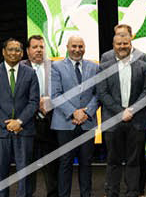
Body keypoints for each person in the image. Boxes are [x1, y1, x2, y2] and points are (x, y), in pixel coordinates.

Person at [98, 27, 146, 197]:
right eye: (119, 43)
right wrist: (121, 112)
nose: (122, 46)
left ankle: (132, 193)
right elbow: (102, 93)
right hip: (113, 121)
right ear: (113, 45)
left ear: (131, 44)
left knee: (134, 161)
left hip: (137, 121)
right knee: (113, 161)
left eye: (125, 43)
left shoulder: (143, 65)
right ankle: (112, 192)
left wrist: (132, 110)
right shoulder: (104, 66)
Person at [50, 36, 100, 197]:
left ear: (84, 48)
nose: (77, 49)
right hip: (65, 124)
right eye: (74, 46)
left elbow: (98, 94)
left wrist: (86, 113)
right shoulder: (56, 67)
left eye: (80, 46)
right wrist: (73, 112)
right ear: (67, 47)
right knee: (65, 163)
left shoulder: (94, 67)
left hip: (87, 122)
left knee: (86, 163)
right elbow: (55, 94)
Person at [0, 37, 39, 197]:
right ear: (3, 52)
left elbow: (33, 101)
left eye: (17, 50)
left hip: (24, 129)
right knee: (0, 175)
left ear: (22, 53)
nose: (14, 53)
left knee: (25, 174)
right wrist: (6, 123)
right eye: (10, 49)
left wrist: (19, 121)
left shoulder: (30, 73)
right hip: (1, 131)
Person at [22, 35, 58, 197]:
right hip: (27, 124)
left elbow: (63, 91)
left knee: (52, 166)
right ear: (28, 51)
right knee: (27, 165)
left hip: (51, 123)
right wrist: (35, 104)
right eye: (35, 47)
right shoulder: (20, 68)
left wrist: (51, 101)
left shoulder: (56, 67)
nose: (38, 50)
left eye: (41, 47)